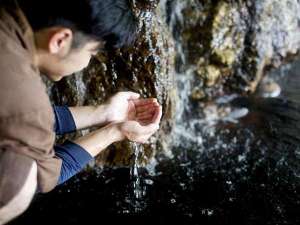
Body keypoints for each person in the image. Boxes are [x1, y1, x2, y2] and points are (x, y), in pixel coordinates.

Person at [0, 0, 162, 224]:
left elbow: (18, 118)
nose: (88, 62)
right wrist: (115, 132)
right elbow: (48, 175)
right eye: (92, 52)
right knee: (23, 182)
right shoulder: (27, 97)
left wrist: (104, 112)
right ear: (60, 40)